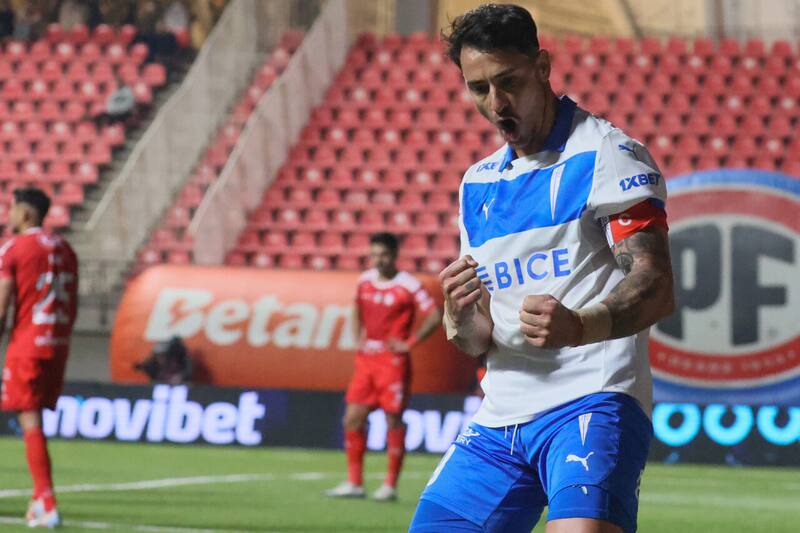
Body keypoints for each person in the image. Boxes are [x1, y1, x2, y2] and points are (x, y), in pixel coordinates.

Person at [409, 5, 674, 533]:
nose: (496, 103)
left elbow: (655, 285)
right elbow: (475, 339)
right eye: (478, 88)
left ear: (543, 67)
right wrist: (459, 316)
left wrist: (580, 326)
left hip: (591, 400)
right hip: (501, 414)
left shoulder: (607, 155)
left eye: (508, 82)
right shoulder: (477, 184)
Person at [326, 232, 442, 502]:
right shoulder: (364, 280)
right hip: (366, 360)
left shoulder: (408, 285)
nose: (379, 260)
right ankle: (354, 482)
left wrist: (409, 342)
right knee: (352, 418)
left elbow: (434, 315)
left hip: (392, 362)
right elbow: (356, 308)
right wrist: (357, 337)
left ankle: (389, 485)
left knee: (392, 419)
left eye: (384, 255)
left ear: (394, 255)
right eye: (375, 254)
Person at [0, 187, 79, 529]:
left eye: (13, 208)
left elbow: (2, 306)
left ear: (26, 213)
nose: (9, 214)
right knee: (34, 420)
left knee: (29, 420)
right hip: (58, 343)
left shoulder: (15, 248)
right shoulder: (66, 249)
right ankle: (38, 499)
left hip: (28, 344)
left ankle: (46, 498)